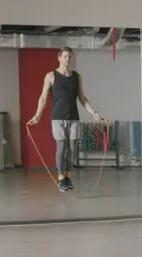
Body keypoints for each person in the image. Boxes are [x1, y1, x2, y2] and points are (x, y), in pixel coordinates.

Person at [29, 46, 104, 192]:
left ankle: (68, 176)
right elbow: (43, 98)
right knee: (62, 148)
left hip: (73, 117)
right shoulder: (51, 76)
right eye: (65, 56)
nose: (68, 59)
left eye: (70, 57)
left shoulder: (77, 76)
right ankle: (61, 178)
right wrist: (37, 115)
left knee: (72, 149)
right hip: (57, 118)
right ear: (59, 58)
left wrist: (93, 112)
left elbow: (82, 98)